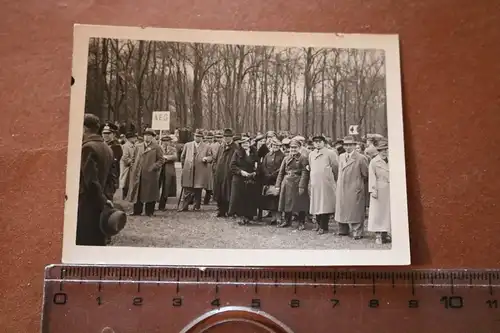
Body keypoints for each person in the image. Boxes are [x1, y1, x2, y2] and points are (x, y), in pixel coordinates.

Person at [77, 114, 114, 246]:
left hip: (88, 203)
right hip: (101, 202)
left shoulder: (87, 148)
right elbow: (111, 178)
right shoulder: (107, 148)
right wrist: (107, 198)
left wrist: (102, 200)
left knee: (86, 242)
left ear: (84, 128)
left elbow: (91, 180)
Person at [335, 135, 369, 240]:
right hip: (342, 187)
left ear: (355, 145)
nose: (348, 147)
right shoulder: (341, 157)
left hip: (355, 187)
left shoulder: (361, 158)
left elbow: (366, 174)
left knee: (356, 210)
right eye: (346, 145)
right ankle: (343, 229)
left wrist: (359, 185)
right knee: (342, 209)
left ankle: (357, 232)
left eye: (350, 145)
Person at [127, 128, 164, 216]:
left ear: (153, 137)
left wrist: (154, 167)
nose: (147, 137)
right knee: (137, 192)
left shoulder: (156, 147)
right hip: (138, 173)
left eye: (149, 136)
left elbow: (161, 160)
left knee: (150, 192)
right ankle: (137, 211)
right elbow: (133, 158)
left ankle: (149, 211)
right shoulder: (138, 146)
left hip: (150, 174)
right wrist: (133, 166)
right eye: (145, 135)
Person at [275, 139, 309, 229]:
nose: (293, 149)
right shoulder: (286, 158)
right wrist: (278, 185)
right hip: (286, 182)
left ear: (299, 148)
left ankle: (301, 222)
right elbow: (281, 172)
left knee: (300, 202)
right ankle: (287, 220)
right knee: (286, 201)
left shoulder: (303, 158)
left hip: (297, 182)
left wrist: (302, 185)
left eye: (295, 147)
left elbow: (305, 172)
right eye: (291, 148)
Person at [308, 135, 339, 234]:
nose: (317, 143)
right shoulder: (311, 154)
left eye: (319, 141)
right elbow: (311, 167)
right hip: (315, 182)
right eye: (315, 141)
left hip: (326, 182)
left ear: (324, 142)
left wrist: (334, 179)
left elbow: (335, 167)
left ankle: (323, 226)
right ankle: (318, 224)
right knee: (316, 203)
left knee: (325, 204)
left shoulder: (330, 153)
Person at [179, 130, 213, 211]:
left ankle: (196, 206)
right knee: (187, 189)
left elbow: (211, 157)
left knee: (198, 189)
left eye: (199, 136)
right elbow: (182, 157)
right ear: (194, 136)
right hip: (188, 170)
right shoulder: (188, 145)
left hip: (200, 170)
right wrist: (185, 167)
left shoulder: (206, 147)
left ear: (202, 138)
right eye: (196, 136)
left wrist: (206, 159)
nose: (197, 138)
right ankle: (184, 206)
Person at [229, 137, 260, 225]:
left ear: (250, 143)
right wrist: (241, 172)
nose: (245, 145)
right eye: (243, 143)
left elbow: (259, 165)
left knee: (249, 198)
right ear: (241, 145)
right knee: (239, 198)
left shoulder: (254, 152)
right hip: (239, 179)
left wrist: (255, 172)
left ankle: (248, 216)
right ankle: (240, 216)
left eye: (247, 143)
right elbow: (232, 166)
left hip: (251, 178)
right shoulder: (237, 153)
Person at [367, 139, 391, 244]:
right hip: (379, 189)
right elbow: (372, 177)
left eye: (386, 150)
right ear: (378, 151)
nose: (384, 152)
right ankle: (378, 235)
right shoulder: (374, 161)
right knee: (378, 213)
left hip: (389, 189)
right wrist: (373, 190)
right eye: (382, 150)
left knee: (387, 213)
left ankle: (385, 234)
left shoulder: (391, 160)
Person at [259, 138, 285, 225]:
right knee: (271, 198)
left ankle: (279, 218)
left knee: (278, 198)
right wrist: (267, 174)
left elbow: (282, 168)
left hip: (277, 179)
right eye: (274, 145)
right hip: (268, 180)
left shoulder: (282, 156)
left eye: (277, 146)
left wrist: (274, 174)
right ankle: (273, 217)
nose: (275, 147)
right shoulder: (268, 155)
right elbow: (263, 165)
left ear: (280, 146)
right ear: (271, 146)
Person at [213, 128, 239, 217]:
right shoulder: (221, 147)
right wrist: (215, 168)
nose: (227, 138)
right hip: (220, 173)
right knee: (219, 192)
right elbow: (216, 158)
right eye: (225, 136)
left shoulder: (235, 148)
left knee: (228, 192)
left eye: (229, 136)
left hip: (229, 174)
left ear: (232, 137)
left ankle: (229, 210)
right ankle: (221, 210)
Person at [101, 124, 123, 200]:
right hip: (101, 177)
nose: (105, 135)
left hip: (110, 177)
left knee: (107, 198)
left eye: (108, 133)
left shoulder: (116, 146)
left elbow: (113, 162)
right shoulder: (101, 145)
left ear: (113, 134)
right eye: (104, 133)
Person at [158, 135, 178, 211]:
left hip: (168, 170)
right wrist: (164, 158)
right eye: (164, 141)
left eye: (167, 141)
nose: (166, 143)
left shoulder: (173, 149)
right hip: (159, 169)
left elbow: (175, 157)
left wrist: (166, 157)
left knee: (166, 187)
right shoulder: (158, 148)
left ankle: (162, 206)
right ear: (162, 141)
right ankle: (152, 204)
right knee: (156, 186)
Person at [119, 132, 137, 200]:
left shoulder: (133, 145)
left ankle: (128, 196)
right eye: (134, 138)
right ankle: (125, 196)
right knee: (126, 181)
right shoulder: (126, 146)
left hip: (131, 166)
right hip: (127, 167)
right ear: (130, 138)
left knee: (130, 181)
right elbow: (124, 157)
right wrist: (131, 162)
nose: (135, 139)